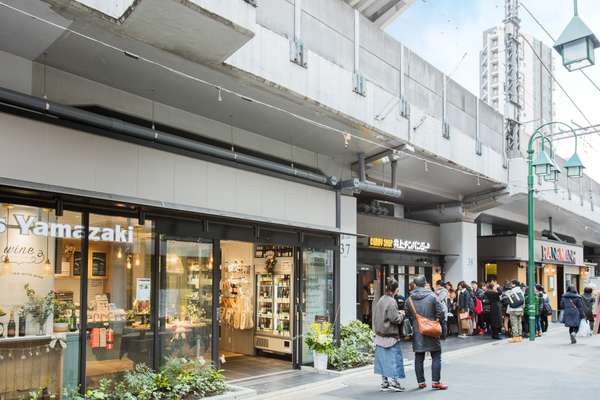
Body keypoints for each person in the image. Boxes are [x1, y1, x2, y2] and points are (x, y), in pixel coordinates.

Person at [405, 276, 448, 390]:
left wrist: (415, 322)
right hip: (431, 330)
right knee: (436, 355)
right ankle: (436, 382)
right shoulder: (433, 296)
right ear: (425, 284)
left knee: (419, 356)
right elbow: (441, 312)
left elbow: (407, 314)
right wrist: (436, 321)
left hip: (417, 330)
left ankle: (421, 382)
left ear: (415, 284)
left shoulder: (409, 299)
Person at [372, 277, 406, 392]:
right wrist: (402, 314)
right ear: (395, 289)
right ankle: (394, 382)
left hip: (380, 335)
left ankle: (385, 382)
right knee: (394, 359)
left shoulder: (381, 299)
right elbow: (395, 319)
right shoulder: (392, 301)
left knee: (382, 360)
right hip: (390, 335)